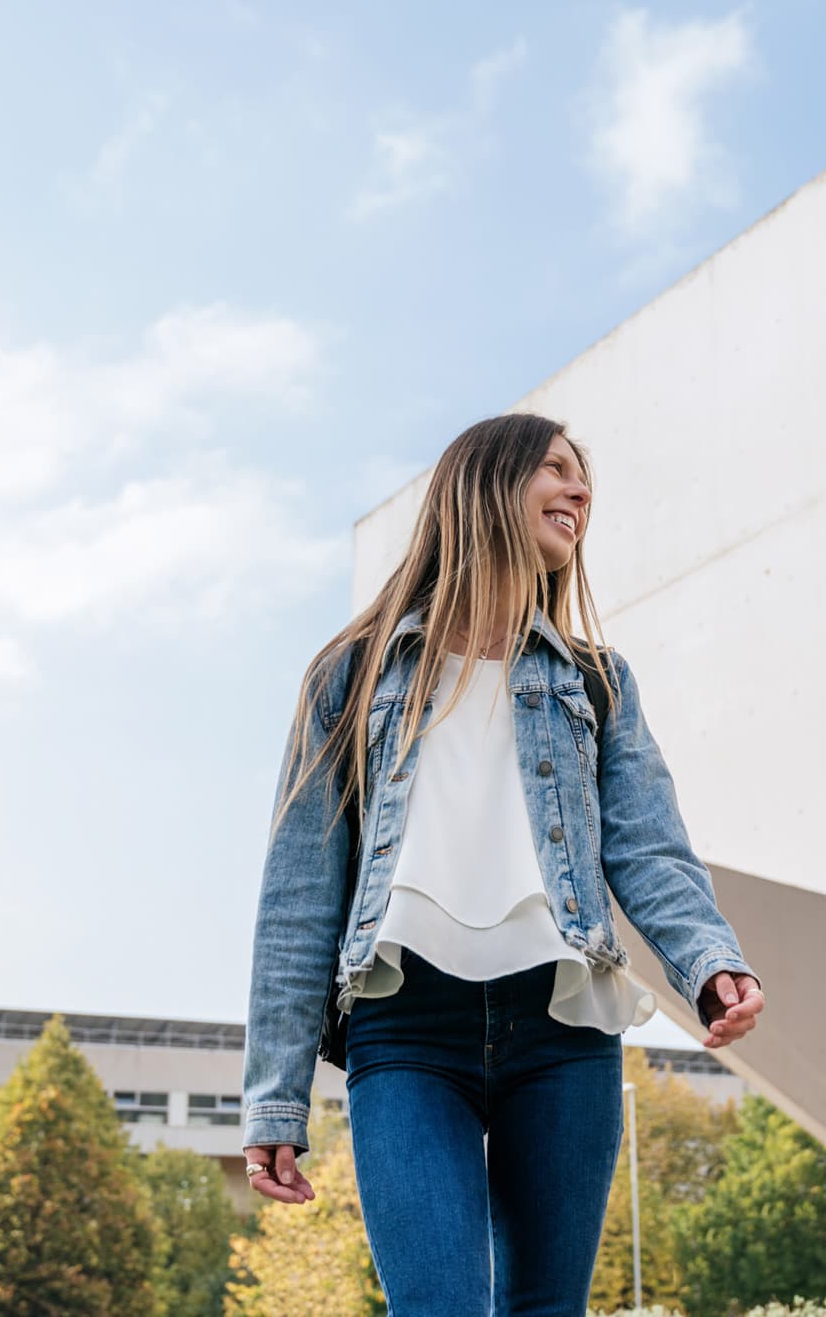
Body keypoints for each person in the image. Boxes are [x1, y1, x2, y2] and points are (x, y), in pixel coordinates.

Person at [242, 412, 764, 1316]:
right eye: (556, 470)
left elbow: (647, 846)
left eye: (584, 478)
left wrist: (709, 960)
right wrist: (275, 1101)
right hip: (405, 1032)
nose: (580, 491)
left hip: (563, 1029)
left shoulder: (597, 683)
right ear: (486, 485)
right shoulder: (353, 677)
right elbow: (299, 898)